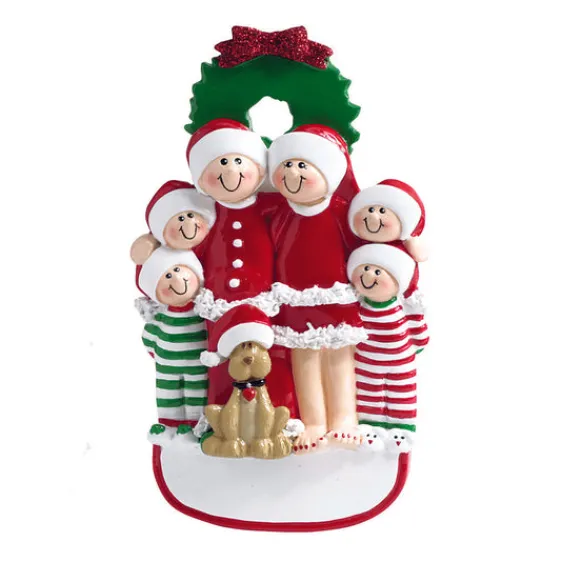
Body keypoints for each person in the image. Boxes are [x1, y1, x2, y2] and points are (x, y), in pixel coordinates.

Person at [268, 125, 366, 452]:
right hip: (295, 299)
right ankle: (313, 421)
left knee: (339, 356)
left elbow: (359, 246)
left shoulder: (340, 211)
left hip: (336, 297)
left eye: (302, 165)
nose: (292, 173)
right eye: (287, 165)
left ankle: (344, 417)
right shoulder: (281, 213)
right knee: (304, 359)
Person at [347, 243, 429, 433]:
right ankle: (371, 426)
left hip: (400, 362)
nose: (369, 275)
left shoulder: (401, 308)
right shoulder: (358, 309)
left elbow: (416, 325)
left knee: (401, 392)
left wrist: (419, 341)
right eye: (365, 268)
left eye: (378, 272)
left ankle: (402, 426)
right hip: (367, 363)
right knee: (369, 393)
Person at [137, 247, 208, 441]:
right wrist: (161, 356)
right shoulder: (161, 316)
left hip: (197, 367)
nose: (176, 279)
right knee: (168, 395)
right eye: (167, 275)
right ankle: (169, 425)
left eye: (178, 270)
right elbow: (149, 337)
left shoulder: (201, 313)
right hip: (167, 368)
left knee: (197, 394)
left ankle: (195, 426)